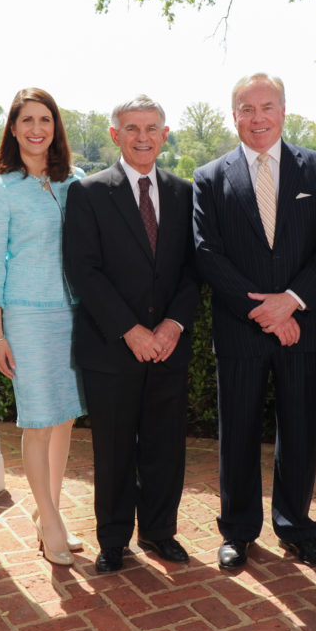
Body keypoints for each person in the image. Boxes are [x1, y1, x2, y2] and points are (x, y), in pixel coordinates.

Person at [193, 73, 316, 569]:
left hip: (304, 325)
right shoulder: (210, 177)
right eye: (246, 108)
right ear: (233, 114)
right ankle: (237, 531)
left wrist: (293, 301)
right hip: (242, 328)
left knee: (299, 430)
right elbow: (207, 252)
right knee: (236, 432)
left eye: (267, 106)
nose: (257, 118)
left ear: (284, 110)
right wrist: (267, 313)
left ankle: (296, 528)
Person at [64, 96, 198, 573]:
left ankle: (161, 533)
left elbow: (191, 269)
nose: (143, 137)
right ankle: (114, 539)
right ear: (115, 135)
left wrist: (171, 326)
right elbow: (84, 270)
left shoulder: (185, 192)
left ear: (165, 135)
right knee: (115, 448)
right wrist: (131, 330)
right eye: (132, 128)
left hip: (168, 347)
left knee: (165, 446)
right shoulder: (90, 193)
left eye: (152, 128)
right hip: (111, 348)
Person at [0, 88, 87, 567]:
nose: (36, 128)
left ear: (55, 126)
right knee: (38, 420)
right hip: (24, 315)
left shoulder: (75, 182)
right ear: (13, 128)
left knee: (64, 416)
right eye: (27, 120)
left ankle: (51, 513)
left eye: (44, 119)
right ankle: (48, 520)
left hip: (72, 313)